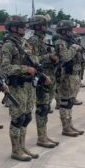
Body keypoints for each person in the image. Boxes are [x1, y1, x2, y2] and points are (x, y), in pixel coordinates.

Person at [0, 15, 43, 160]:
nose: (24, 28)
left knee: (26, 117)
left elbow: (34, 58)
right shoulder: (8, 45)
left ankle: (23, 146)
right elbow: (4, 68)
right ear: (13, 28)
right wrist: (24, 69)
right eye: (21, 26)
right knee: (17, 119)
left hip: (29, 85)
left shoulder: (24, 43)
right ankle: (15, 150)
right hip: (17, 86)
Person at [24, 15, 59, 148]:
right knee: (42, 108)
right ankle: (41, 137)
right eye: (44, 25)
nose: (46, 27)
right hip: (41, 77)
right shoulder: (33, 40)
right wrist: (49, 56)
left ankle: (43, 135)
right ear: (38, 26)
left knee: (46, 107)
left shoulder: (42, 39)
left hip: (49, 76)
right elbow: (33, 59)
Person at [54, 20, 85, 136]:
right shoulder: (60, 42)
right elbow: (65, 57)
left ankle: (70, 124)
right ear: (63, 31)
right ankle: (65, 127)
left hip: (75, 74)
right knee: (65, 103)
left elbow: (82, 58)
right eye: (69, 30)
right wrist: (74, 48)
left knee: (71, 101)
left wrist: (78, 49)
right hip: (66, 76)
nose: (72, 32)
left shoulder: (71, 41)